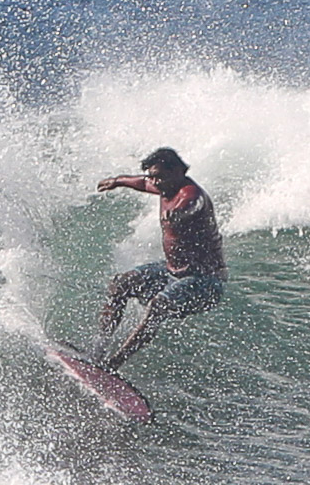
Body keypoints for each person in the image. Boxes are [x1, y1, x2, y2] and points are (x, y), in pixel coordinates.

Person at [93, 147, 227, 370]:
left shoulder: (190, 195)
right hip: (171, 271)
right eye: (152, 176)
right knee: (120, 285)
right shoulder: (164, 186)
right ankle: (97, 351)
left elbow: (194, 204)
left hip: (205, 281)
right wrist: (117, 181)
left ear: (177, 171)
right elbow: (142, 183)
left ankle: (114, 364)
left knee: (158, 305)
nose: (154, 181)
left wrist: (179, 213)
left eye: (159, 176)